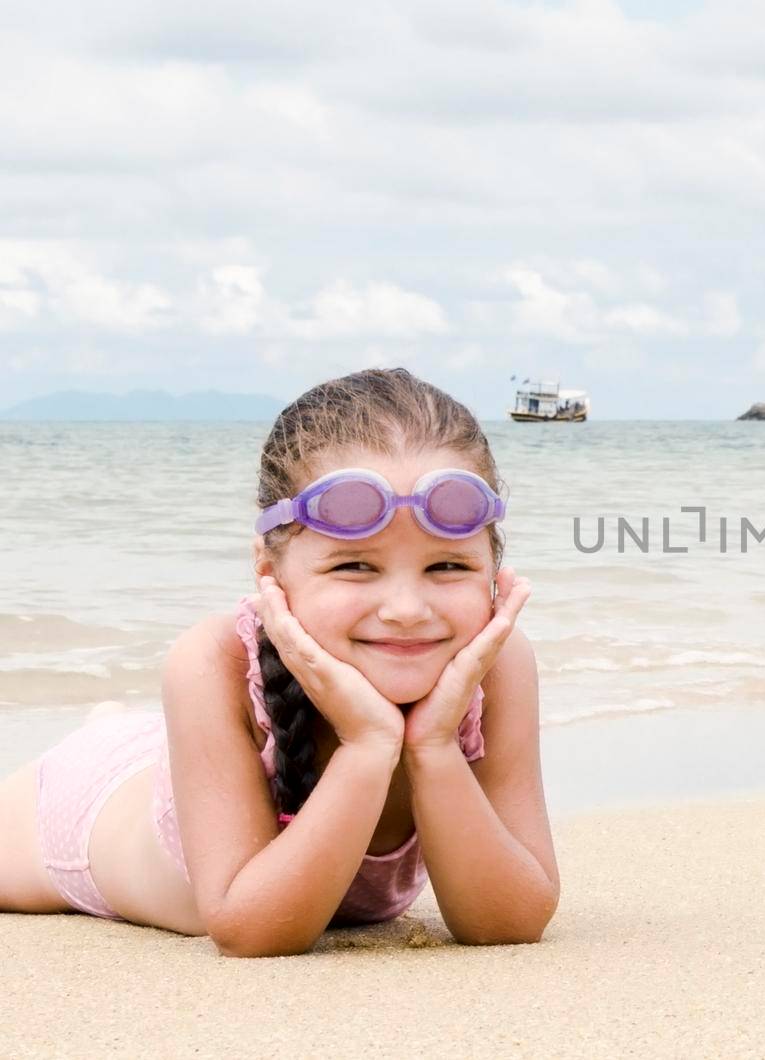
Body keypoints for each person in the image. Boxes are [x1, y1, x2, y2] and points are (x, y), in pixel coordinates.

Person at [0, 368, 557, 957]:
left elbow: (508, 922)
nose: (405, 609)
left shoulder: (496, 668)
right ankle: (105, 730)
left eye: (447, 567)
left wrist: (434, 746)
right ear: (269, 572)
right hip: (80, 809)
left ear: (493, 572)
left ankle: (115, 722)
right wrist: (369, 746)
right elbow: (251, 931)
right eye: (354, 567)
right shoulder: (213, 662)